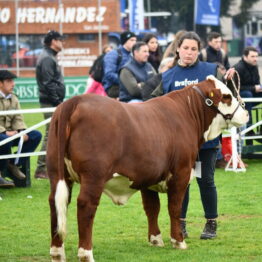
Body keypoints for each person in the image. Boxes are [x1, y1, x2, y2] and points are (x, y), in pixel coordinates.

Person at [151, 31, 235, 240]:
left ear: (199, 51)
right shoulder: (168, 75)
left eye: (194, 49)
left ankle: (211, 224)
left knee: (205, 181)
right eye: (186, 48)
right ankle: (180, 224)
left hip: (205, 143)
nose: (189, 53)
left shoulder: (210, 71)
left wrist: (229, 80)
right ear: (178, 49)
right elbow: (155, 102)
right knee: (182, 183)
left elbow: (227, 96)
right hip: (178, 145)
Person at [0, 70, 42, 188]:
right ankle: (1, 173)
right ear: (0, 83)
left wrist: (21, 131)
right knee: (4, 140)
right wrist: (5, 132)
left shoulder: (14, 98)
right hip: (2, 134)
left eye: (13, 81)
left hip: (10, 134)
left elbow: (18, 118)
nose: (13, 84)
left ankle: (12, 164)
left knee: (35, 135)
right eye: (9, 81)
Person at [34, 30, 65, 179]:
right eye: (60, 40)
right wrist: (58, 102)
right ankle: (41, 169)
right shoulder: (47, 58)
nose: (62, 43)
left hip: (52, 101)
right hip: (51, 102)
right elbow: (48, 83)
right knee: (51, 134)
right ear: (53, 41)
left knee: (54, 134)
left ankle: (49, 168)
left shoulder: (49, 56)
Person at [199, 31, 230, 169]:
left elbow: (227, 68)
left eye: (220, 41)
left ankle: (219, 157)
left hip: (219, 91)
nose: (218, 44)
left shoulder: (222, 54)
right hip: (207, 94)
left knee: (220, 126)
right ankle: (212, 160)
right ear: (209, 41)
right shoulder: (203, 54)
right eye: (216, 41)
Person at [102, 31, 137, 98]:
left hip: (129, 85)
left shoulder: (132, 55)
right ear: (125, 41)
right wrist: (126, 82)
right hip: (114, 87)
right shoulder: (113, 54)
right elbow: (109, 74)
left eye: (135, 40)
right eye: (132, 40)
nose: (134, 43)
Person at [233, 46, 262, 127]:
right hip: (238, 96)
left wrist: (259, 88)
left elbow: (257, 83)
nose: (255, 59)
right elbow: (235, 88)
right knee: (248, 94)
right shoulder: (238, 68)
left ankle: (260, 128)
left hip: (251, 93)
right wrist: (254, 88)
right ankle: (250, 127)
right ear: (245, 57)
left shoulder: (254, 67)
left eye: (257, 56)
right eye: (252, 56)